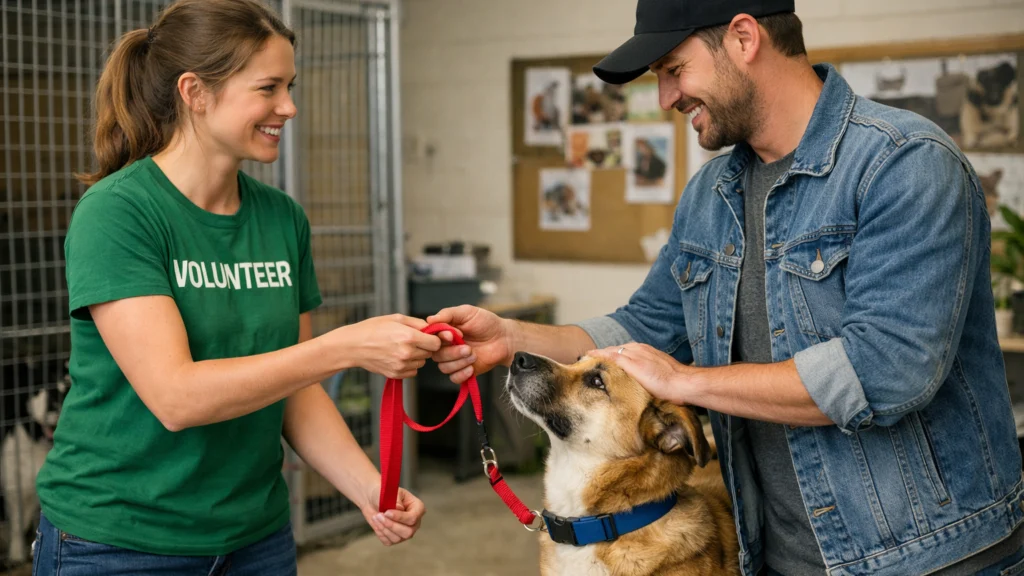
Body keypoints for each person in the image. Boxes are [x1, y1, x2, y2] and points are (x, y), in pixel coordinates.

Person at [430, 1, 1024, 574]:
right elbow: (645, 327)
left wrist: (688, 383)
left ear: (744, 38)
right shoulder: (712, 193)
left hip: (928, 559)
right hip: (774, 554)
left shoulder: (904, 164)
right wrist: (509, 337)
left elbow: (886, 370)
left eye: (673, 70)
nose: (666, 97)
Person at [33, 1, 437, 574]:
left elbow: (295, 387)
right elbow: (175, 397)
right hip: (119, 540)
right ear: (194, 92)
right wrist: (343, 347)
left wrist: (370, 487)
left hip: (256, 537)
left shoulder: (281, 218)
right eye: (268, 88)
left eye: (290, 86)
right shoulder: (119, 213)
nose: (289, 107)